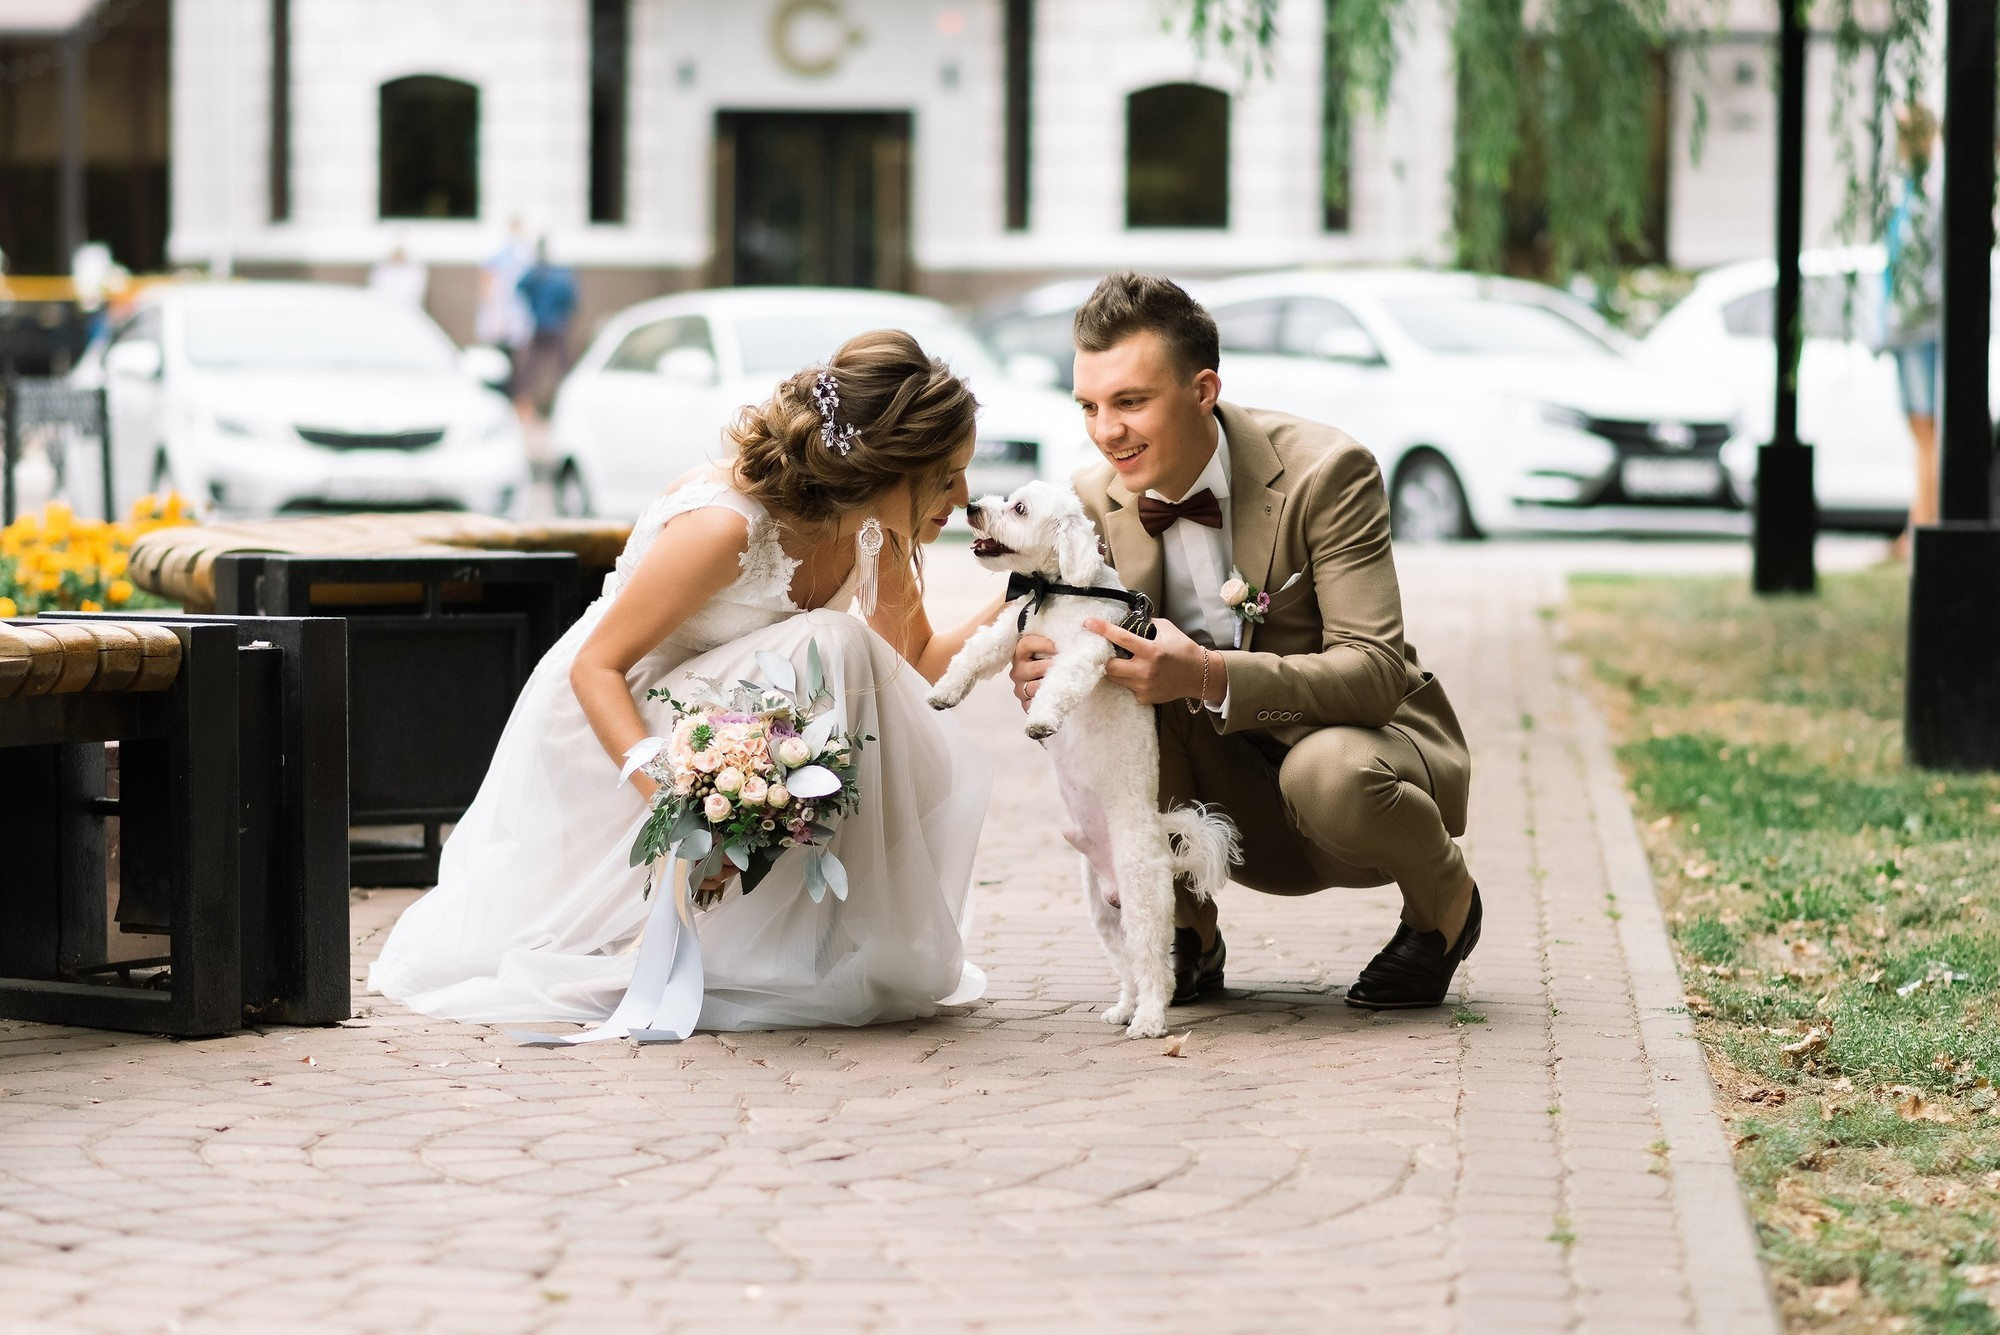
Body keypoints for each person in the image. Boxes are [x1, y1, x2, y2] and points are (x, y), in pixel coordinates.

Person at [370, 331, 999, 1031]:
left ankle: (794, 942)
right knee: (832, 640)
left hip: (729, 715)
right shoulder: (726, 525)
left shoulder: (873, 530)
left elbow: (910, 663)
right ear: (885, 467)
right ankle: (711, 927)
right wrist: (677, 811)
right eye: (945, 475)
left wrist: (1026, 605)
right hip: (612, 725)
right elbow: (595, 667)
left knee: (854, 667)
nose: (964, 495)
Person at [1011, 273, 1482, 1010]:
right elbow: (1047, 636)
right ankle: (1183, 929)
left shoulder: (1329, 472)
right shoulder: (1092, 498)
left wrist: (1205, 673)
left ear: (1203, 389)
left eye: (1131, 401)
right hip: (1221, 802)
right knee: (1107, 703)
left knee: (1328, 772)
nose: (1107, 431)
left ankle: (1443, 905)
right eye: (1090, 406)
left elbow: (1374, 672)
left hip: (1354, 772)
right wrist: (1037, 659)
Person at [1883, 102, 1942, 561]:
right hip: (1906, 327)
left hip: (1920, 327)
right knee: (1919, 430)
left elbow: (1932, 267)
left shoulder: (1933, 190)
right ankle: (1918, 521)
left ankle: (1925, 526)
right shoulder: (1909, 187)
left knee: (1927, 430)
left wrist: (1908, 309)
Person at [513, 239, 579, 420]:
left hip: (542, 326)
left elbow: (519, 288)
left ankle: (527, 405)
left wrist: (534, 305)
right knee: (561, 368)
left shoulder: (537, 273)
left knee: (529, 370)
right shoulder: (561, 274)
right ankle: (561, 404)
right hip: (556, 327)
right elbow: (573, 299)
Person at [476, 218, 535, 387]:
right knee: (498, 358)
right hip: (499, 314)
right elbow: (488, 283)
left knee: (516, 360)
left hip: (515, 315)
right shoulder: (499, 255)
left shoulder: (524, 255)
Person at [367, 243, 429, 310]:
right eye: (396, 254)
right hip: (384, 306)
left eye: (400, 254)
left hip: (408, 306)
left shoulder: (413, 270)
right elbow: (377, 286)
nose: (398, 257)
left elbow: (415, 289)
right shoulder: (383, 269)